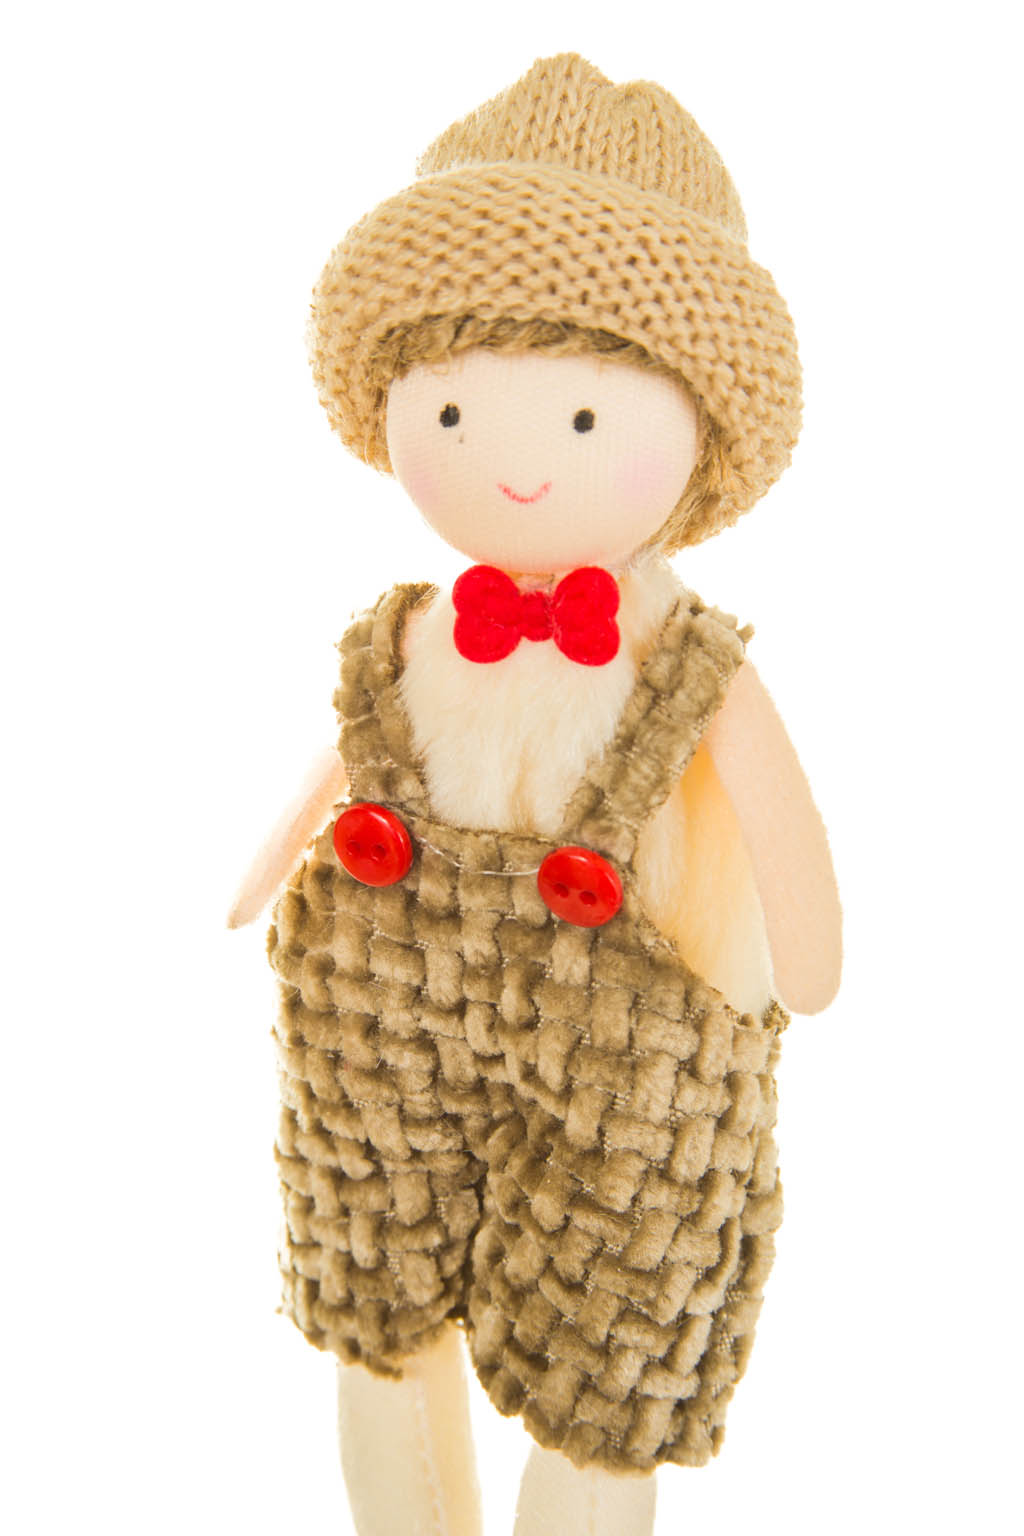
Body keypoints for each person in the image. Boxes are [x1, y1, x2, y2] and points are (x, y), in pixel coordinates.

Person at [230, 52, 841, 1536]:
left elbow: (782, 842)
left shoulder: (687, 665)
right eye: (448, 414)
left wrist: (806, 966)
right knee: (371, 1274)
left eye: (580, 422)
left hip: (619, 1049)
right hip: (385, 1025)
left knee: (612, 1330)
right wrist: (257, 878)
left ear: (698, 430)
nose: (505, 463)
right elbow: (348, 754)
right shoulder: (407, 637)